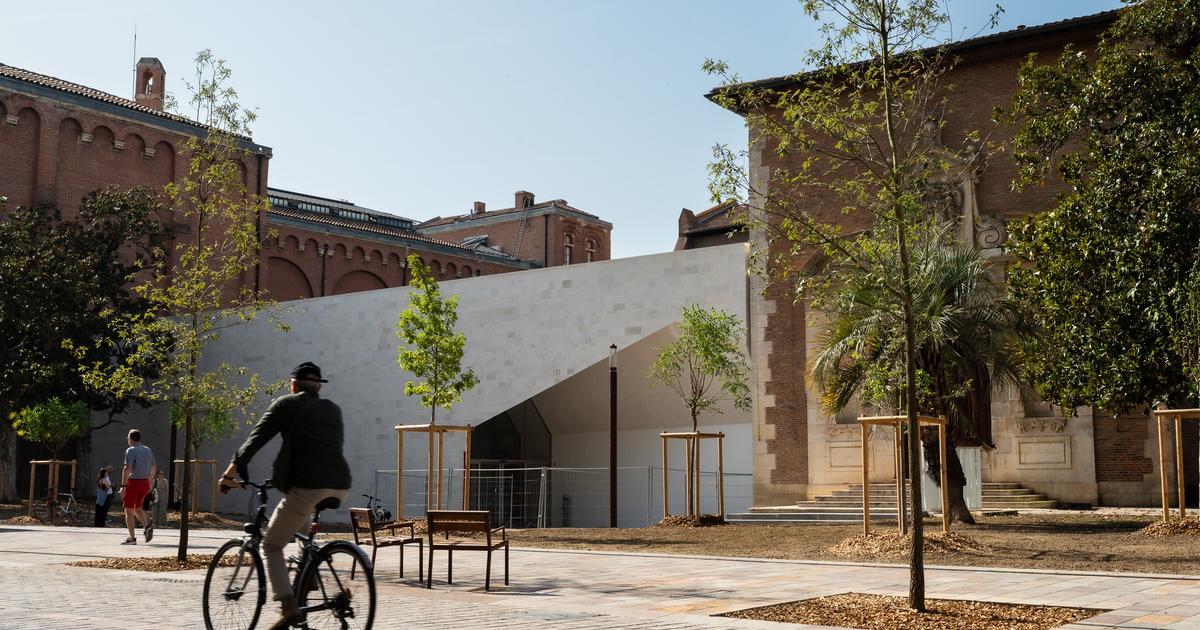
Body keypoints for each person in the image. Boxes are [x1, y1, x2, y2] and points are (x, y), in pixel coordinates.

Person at [220, 362, 352, 630]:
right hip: (339, 484)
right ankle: (309, 576)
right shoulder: (333, 409)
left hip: (306, 486)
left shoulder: (286, 405)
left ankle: (288, 606)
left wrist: (229, 475)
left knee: (271, 545)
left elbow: (254, 441)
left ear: (293, 385)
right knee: (303, 531)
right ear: (318, 386)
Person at [119, 429, 157, 545]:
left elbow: (127, 469)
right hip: (145, 483)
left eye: (128, 438)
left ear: (131, 438)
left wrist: (123, 486)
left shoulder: (130, 450)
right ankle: (147, 525)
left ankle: (132, 539)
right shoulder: (148, 450)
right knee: (137, 508)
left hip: (133, 483)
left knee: (128, 510)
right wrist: (150, 481)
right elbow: (154, 466)